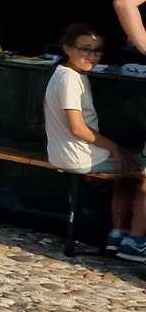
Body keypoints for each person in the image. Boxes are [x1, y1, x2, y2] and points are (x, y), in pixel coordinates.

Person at [43, 23, 146, 258]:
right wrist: (114, 148)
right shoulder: (69, 80)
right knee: (142, 169)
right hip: (76, 155)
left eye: (97, 50)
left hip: (64, 151)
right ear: (68, 49)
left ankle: (117, 234)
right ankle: (136, 241)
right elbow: (78, 128)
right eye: (85, 49)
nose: (92, 56)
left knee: (127, 168)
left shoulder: (66, 74)